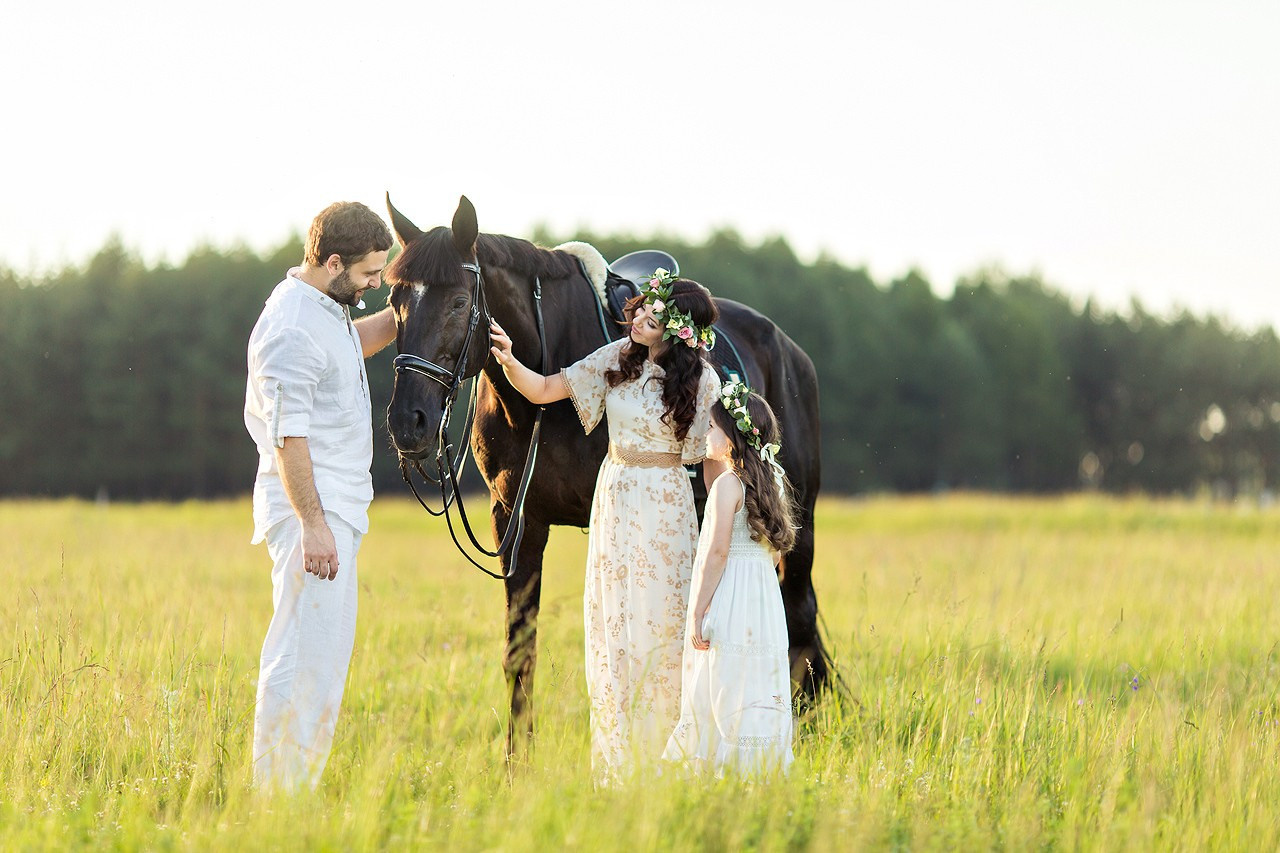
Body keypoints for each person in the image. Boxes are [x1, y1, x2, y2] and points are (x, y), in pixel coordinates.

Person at [488, 268, 721, 779]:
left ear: (680, 331)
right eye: (641, 308)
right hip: (615, 499)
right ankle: (619, 763)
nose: (638, 318)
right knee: (615, 625)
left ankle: (671, 759)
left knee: (663, 621)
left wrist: (730, 513)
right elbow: (547, 388)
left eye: (653, 317)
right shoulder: (616, 358)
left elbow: (708, 459)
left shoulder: (703, 382)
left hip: (666, 502)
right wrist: (508, 360)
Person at [244, 201, 397, 791]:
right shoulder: (288, 328)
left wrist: (407, 316)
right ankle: (279, 798)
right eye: (368, 274)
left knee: (324, 657)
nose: (375, 283)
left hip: (337, 504)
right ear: (333, 262)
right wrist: (312, 523)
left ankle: (292, 790)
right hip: (314, 508)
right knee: (304, 655)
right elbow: (288, 437)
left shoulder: (323, 308)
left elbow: (346, 347)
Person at [662, 381, 797, 777]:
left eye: (712, 428)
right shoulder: (771, 480)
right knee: (756, 677)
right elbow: (773, 552)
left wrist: (699, 609)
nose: (706, 434)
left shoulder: (726, 486)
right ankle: (760, 768)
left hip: (731, 594)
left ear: (732, 437)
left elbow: (716, 553)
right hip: (762, 598)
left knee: (722, 677)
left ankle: (720, 767)